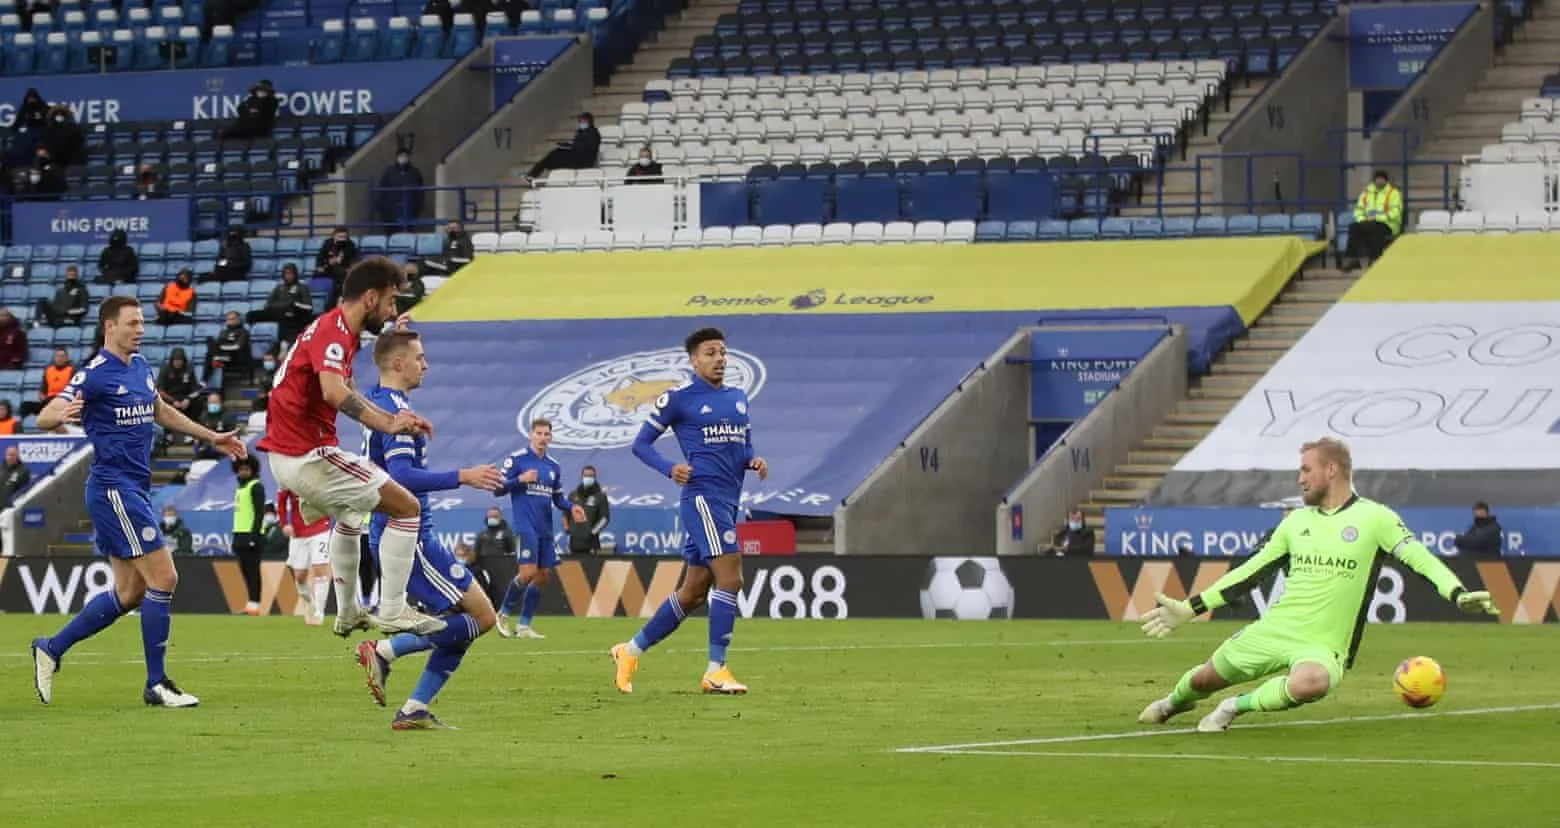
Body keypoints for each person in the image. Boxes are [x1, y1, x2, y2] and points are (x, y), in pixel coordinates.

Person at [1135, 437, 1500, 733]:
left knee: (1312, 682)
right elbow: (1250, 571)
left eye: (1306, 470)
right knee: (1203, 680)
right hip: (1275, 630)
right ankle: (1171, 703)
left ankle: (1233, 707)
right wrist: (1192, 607)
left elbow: (1420, 558)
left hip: (1323, 645)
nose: (1300, 479)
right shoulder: (1296, 522)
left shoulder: (1376, 518)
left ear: (1332, 470)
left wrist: (1456, 592)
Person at [30, 295, 246, 708]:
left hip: (133, 488)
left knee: (130, 593)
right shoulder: (94, 373)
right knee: (164, 578)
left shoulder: (142, 367)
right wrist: (58, 415)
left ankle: (51, 648)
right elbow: (46, 414)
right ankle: (157, 684)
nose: (141, 329)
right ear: (109, 326)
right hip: (114, 489)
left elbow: (160, 411)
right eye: (133, 323)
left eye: (143, 322)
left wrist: (212, 437)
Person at [256, 256, 443, 637]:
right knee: (407, 507)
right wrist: (389, 423)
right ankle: (393, 609)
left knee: (350, 516)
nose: (392, 311)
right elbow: (333, 391)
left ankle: (348, 612)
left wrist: (395, 418)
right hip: (307, 456)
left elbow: (349, 390)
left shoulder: (336, 331)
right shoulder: (334, 332)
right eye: (390, 301)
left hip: (289, 456)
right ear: (370, 298)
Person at [358, 326, 504, 729]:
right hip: (408, 537)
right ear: (399, 363)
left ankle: (415, 709)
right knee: (482, 618)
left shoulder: (379, 402)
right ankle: (384, 651)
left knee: (467, 622)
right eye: (419, 357)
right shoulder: (394, 412)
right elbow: (402, 475)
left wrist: (395, 328)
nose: (426, 364)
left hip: (403, 532)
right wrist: (464, 476)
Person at [612, 327, 769, 695]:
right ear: (694, 360)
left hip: (728, 500)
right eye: (710, 353)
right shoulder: (679, 399)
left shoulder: (738, 398)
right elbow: (641, 444)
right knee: (730, 578)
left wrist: (753, 460)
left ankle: (629, 652)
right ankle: (716, 670)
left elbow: (743, 446)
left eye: (723, 352)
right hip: (703, 498)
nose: (719, 359)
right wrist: (670, 468)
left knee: (694, 592)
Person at [496, 419, 586, 639]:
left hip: (545, 528)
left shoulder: (553, 466)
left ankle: (524, 626)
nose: (543, 438)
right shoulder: (517, 459)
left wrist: (572, 507)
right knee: (527, 573)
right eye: (539, 433)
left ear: (551, 437)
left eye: (546, 434)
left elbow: (558, 498)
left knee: (543, 576)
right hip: (525, 525)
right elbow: (498, 489)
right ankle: (503, 614)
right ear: (531, 435)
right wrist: (520, 479)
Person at [278, 487, 331, 626]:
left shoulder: (322, 475)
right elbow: (281, 500)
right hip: (298, 532)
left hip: (321, 527)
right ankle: (310, 604)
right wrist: (284, 523)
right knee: (299, 576)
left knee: (320, 571)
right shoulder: (288, 477)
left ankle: (319, 612)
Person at [1342, 170, 1403, 271]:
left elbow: (1395, 212)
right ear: (1374, 180)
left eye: (1382, 179)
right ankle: (1352, 259)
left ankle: (1374, 259)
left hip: (1388, 224)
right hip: (1367, 223)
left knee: (1375, 228)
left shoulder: (1393, 193)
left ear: (1386, 180)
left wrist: (1377, 218)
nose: (1379, 181)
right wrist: (1363, 220)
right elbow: (1358, 210)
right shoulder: (1366, 193)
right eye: (1377, 178)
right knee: (1354, 227)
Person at [231, 456, 266, 615]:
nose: (243, 472)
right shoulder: (240, 488)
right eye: (241, 469)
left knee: (252, 571)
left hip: (252, 535)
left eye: (246, 469)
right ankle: (250, 603)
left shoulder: (256, 486)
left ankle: (254, 605)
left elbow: (259, 513)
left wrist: (254, 536)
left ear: (253, 470)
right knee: (245, 570)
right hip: (240, 534)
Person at [246, 264, 313, 346]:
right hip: (277, 312)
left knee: (288, 316)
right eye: (286, 274)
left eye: (290, 274)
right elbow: (268, 304)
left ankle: (283, 343)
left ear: (295, 275)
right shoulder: (279, 287)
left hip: (293, 313)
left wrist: (293, 304)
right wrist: (285, 304)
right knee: (251, 315)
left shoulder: (302, 287)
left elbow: (308, 307)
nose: (288, 276)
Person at [525, 112, 601, 182]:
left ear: (589, 122)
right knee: (554, 154)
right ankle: (534, 174)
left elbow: (588, 147)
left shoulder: (593, 133)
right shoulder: (581, 132)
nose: (581, 124)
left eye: (583, 122)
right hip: (576, 156)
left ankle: (534, 174)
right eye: (580, 122)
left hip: (584, 160)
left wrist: (572, 146)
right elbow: (577, 144)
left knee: (554, 156)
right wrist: (567, 145)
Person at [377, 148, 425, 234]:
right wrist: (381, 207)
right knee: (392, 232)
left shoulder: (414, 172)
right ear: (397, 157)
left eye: (405, 156)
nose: (403, 158)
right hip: (391, 210)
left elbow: (420, 191)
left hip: (409, 208)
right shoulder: (389, 172)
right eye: (401, 156)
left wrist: (418, 207)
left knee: (408, 233)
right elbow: (382, 190)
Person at [568, 464, 610, 555]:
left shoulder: (600, 496)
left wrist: (592, 532)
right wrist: (568, 529)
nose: (588, 478)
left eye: (590, 476)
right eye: (586, 475)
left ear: (595, 478)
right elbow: (566, 513)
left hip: (591, 543)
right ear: (581, 477)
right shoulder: (573, 495)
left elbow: (604, 518)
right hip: (574, 542)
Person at [314, 227, 359, 309]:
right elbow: (320, 257)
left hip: (342, 270)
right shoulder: (327, 244)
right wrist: (324, 264)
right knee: (316, 273)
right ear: (334, 236)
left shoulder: (350, 245)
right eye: (340, 237)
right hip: (328, 268)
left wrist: (347, 265)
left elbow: (354, 260)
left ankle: (336, 301)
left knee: (341, 274)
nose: (342, 239)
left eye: (344, 237)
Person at [204, 311, 252, 387]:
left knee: (211, 356)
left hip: (236, 357)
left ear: (239, 319)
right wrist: (220, 347)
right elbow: (219, 344)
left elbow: (237, 347)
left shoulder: (244, 332)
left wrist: (221, 347)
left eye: (233, 319)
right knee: (210, 341)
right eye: (229, 319)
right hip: (224, 356)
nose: (230, 321)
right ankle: (206, 381)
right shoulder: (223, 332)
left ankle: (204, 380)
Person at [21, 348, 74, 418]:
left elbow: (75, 390)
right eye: (57, 356)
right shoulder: (48, 371)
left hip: (63, 401)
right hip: (48, 401)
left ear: (66, 358)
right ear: (54, 358)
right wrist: (41, 395)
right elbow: (43, 389)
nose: (59, 358)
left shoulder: (72, 371)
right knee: (25, 405)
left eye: (62, 356)